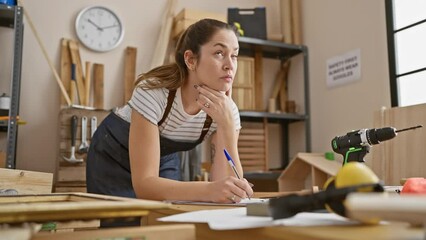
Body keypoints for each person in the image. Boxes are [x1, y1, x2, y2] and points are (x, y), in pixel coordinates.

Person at [86, 18, 253, 208]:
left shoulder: (228, 110)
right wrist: (208, 190)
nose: (230, 65)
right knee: (121, 228)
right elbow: (145, 185)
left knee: (168, 218)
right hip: (113, 155)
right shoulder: (153, 93)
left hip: (163, 158)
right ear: (190, 59)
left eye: (235, 55)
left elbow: (229, 189)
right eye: (219, 53)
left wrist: (227, 125)